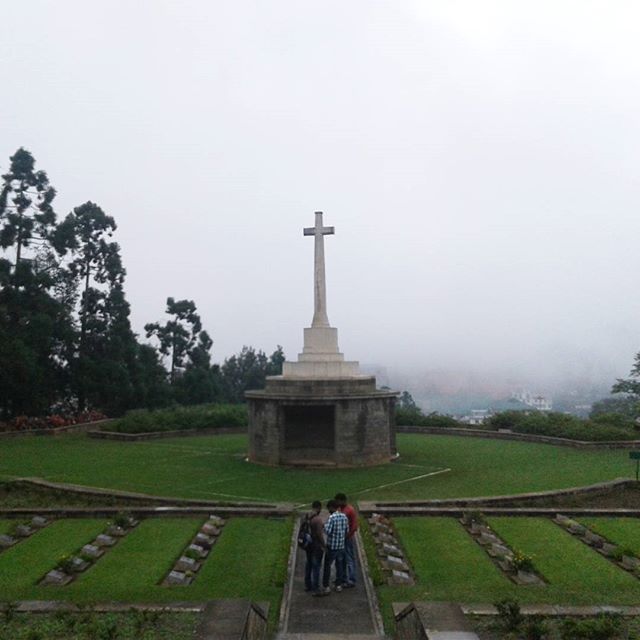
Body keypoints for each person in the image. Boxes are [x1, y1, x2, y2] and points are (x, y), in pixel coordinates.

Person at [321, 499, 348, 594]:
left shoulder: (332, 518)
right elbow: (346, 530)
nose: (328, 510)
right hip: (341, 545)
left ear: (332, 507)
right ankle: (338, 585)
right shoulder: (344, 516)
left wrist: (323, 526)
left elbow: (327, 531)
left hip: (332, 546)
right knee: (339, 566)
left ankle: (326, 586)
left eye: (329, 508)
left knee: (327, 566)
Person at [335, 492, 358, 587]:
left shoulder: (350, 510)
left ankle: (352, 579)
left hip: (347, 538)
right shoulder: (341, 509)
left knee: (349, 558)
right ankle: (343, 578)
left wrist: (348, 535)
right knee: (342, 558)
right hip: (342, 537)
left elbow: (354, 525)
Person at [303, 500, 325, 596]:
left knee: (309, 564)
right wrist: (323, 545)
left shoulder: (307, 516)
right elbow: (320, 534)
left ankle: (308, 585)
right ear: (319, 508)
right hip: (316, 545)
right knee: (316, 566)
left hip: (308, 545)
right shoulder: (318, 520)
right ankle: (316, 588)